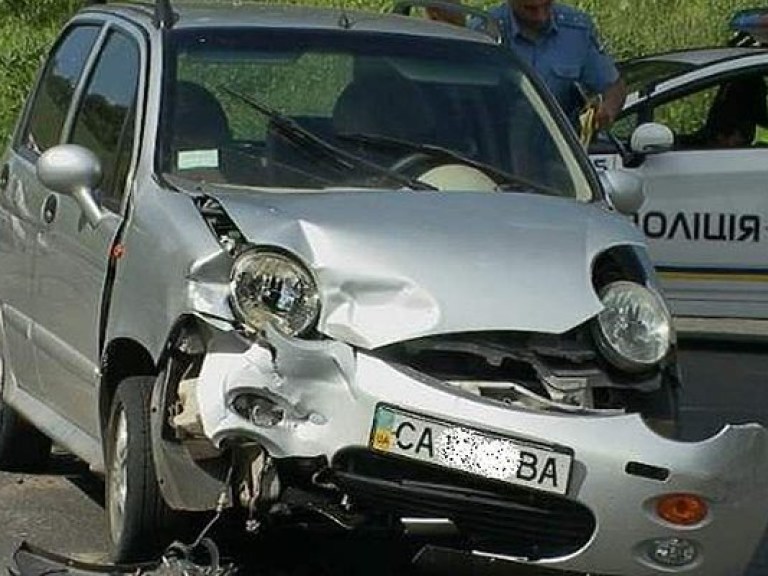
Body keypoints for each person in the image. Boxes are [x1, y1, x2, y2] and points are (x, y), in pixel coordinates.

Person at [487, 0, 626, 131]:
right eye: (530, 9)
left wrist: (608, 110)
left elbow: (613, 87)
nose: (541, 16)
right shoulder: (486, 32)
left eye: (547, 5)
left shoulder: (575, 31)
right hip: (496, 143)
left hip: (559, 145)